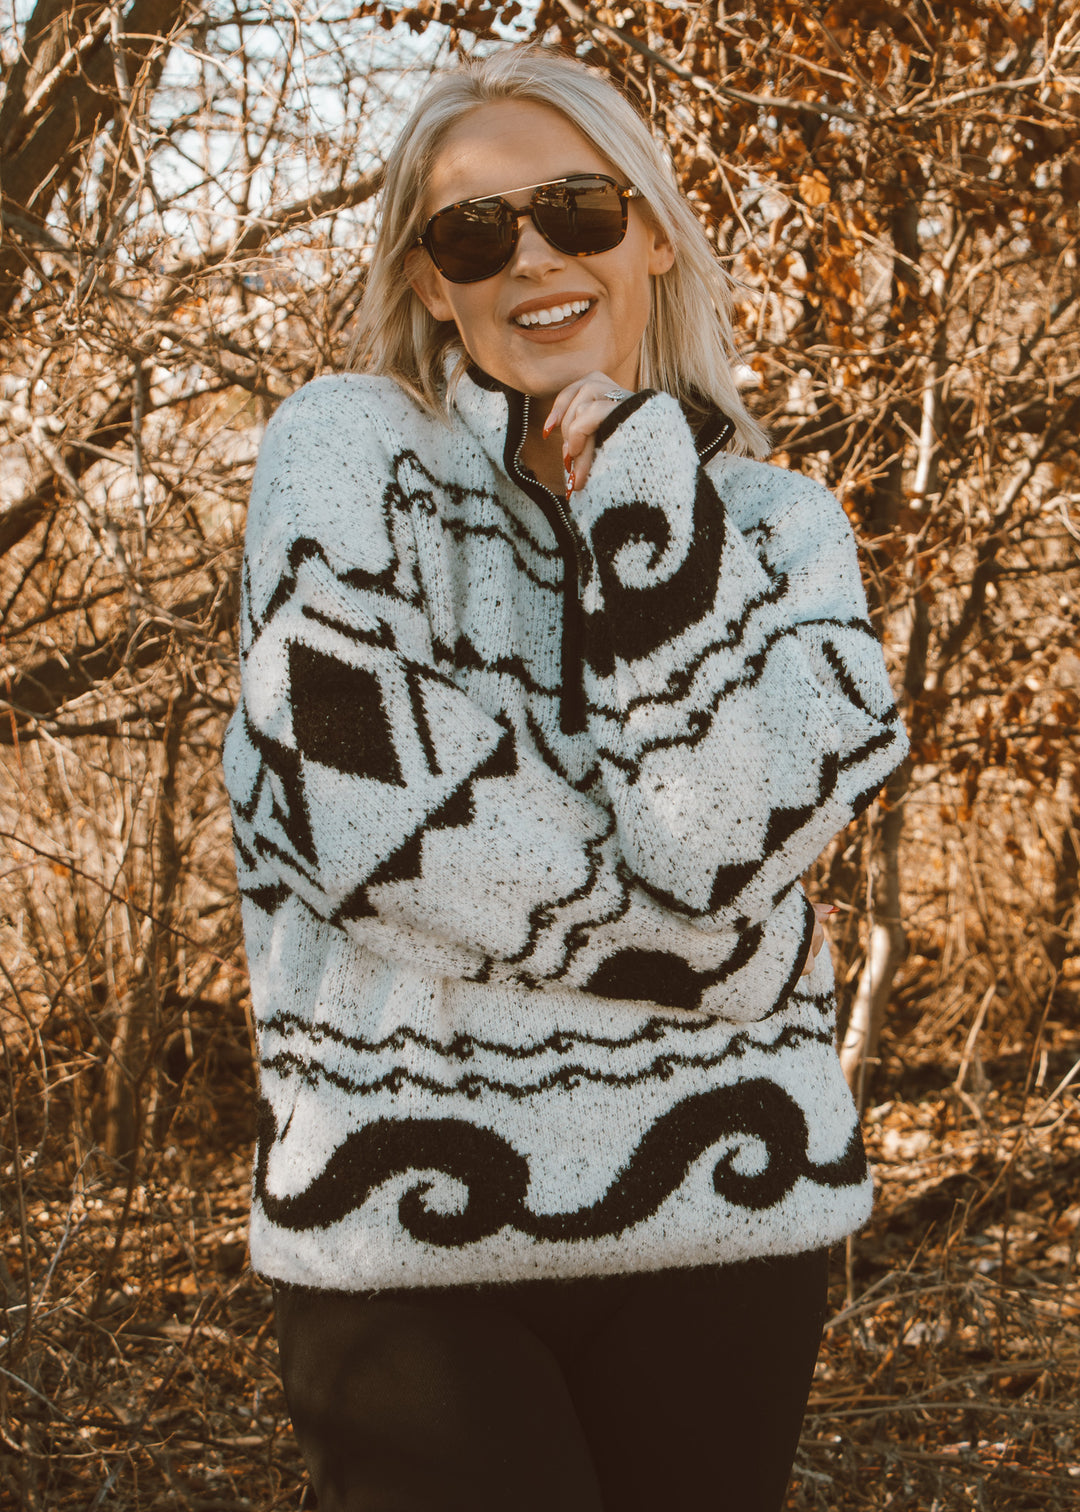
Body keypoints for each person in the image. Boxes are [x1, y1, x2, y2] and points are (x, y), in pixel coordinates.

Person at [223, 44, 908, 1512]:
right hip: (404, 1239)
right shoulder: (344, 454)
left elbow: (724, 832)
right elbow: (371, 821)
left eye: (580, 209)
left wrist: (646, 492)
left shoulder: (785, 528)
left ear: (652, 233)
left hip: (726, 1227)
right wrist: (708, 959)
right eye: (476, 231)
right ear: (428, 280)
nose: (534, 255)